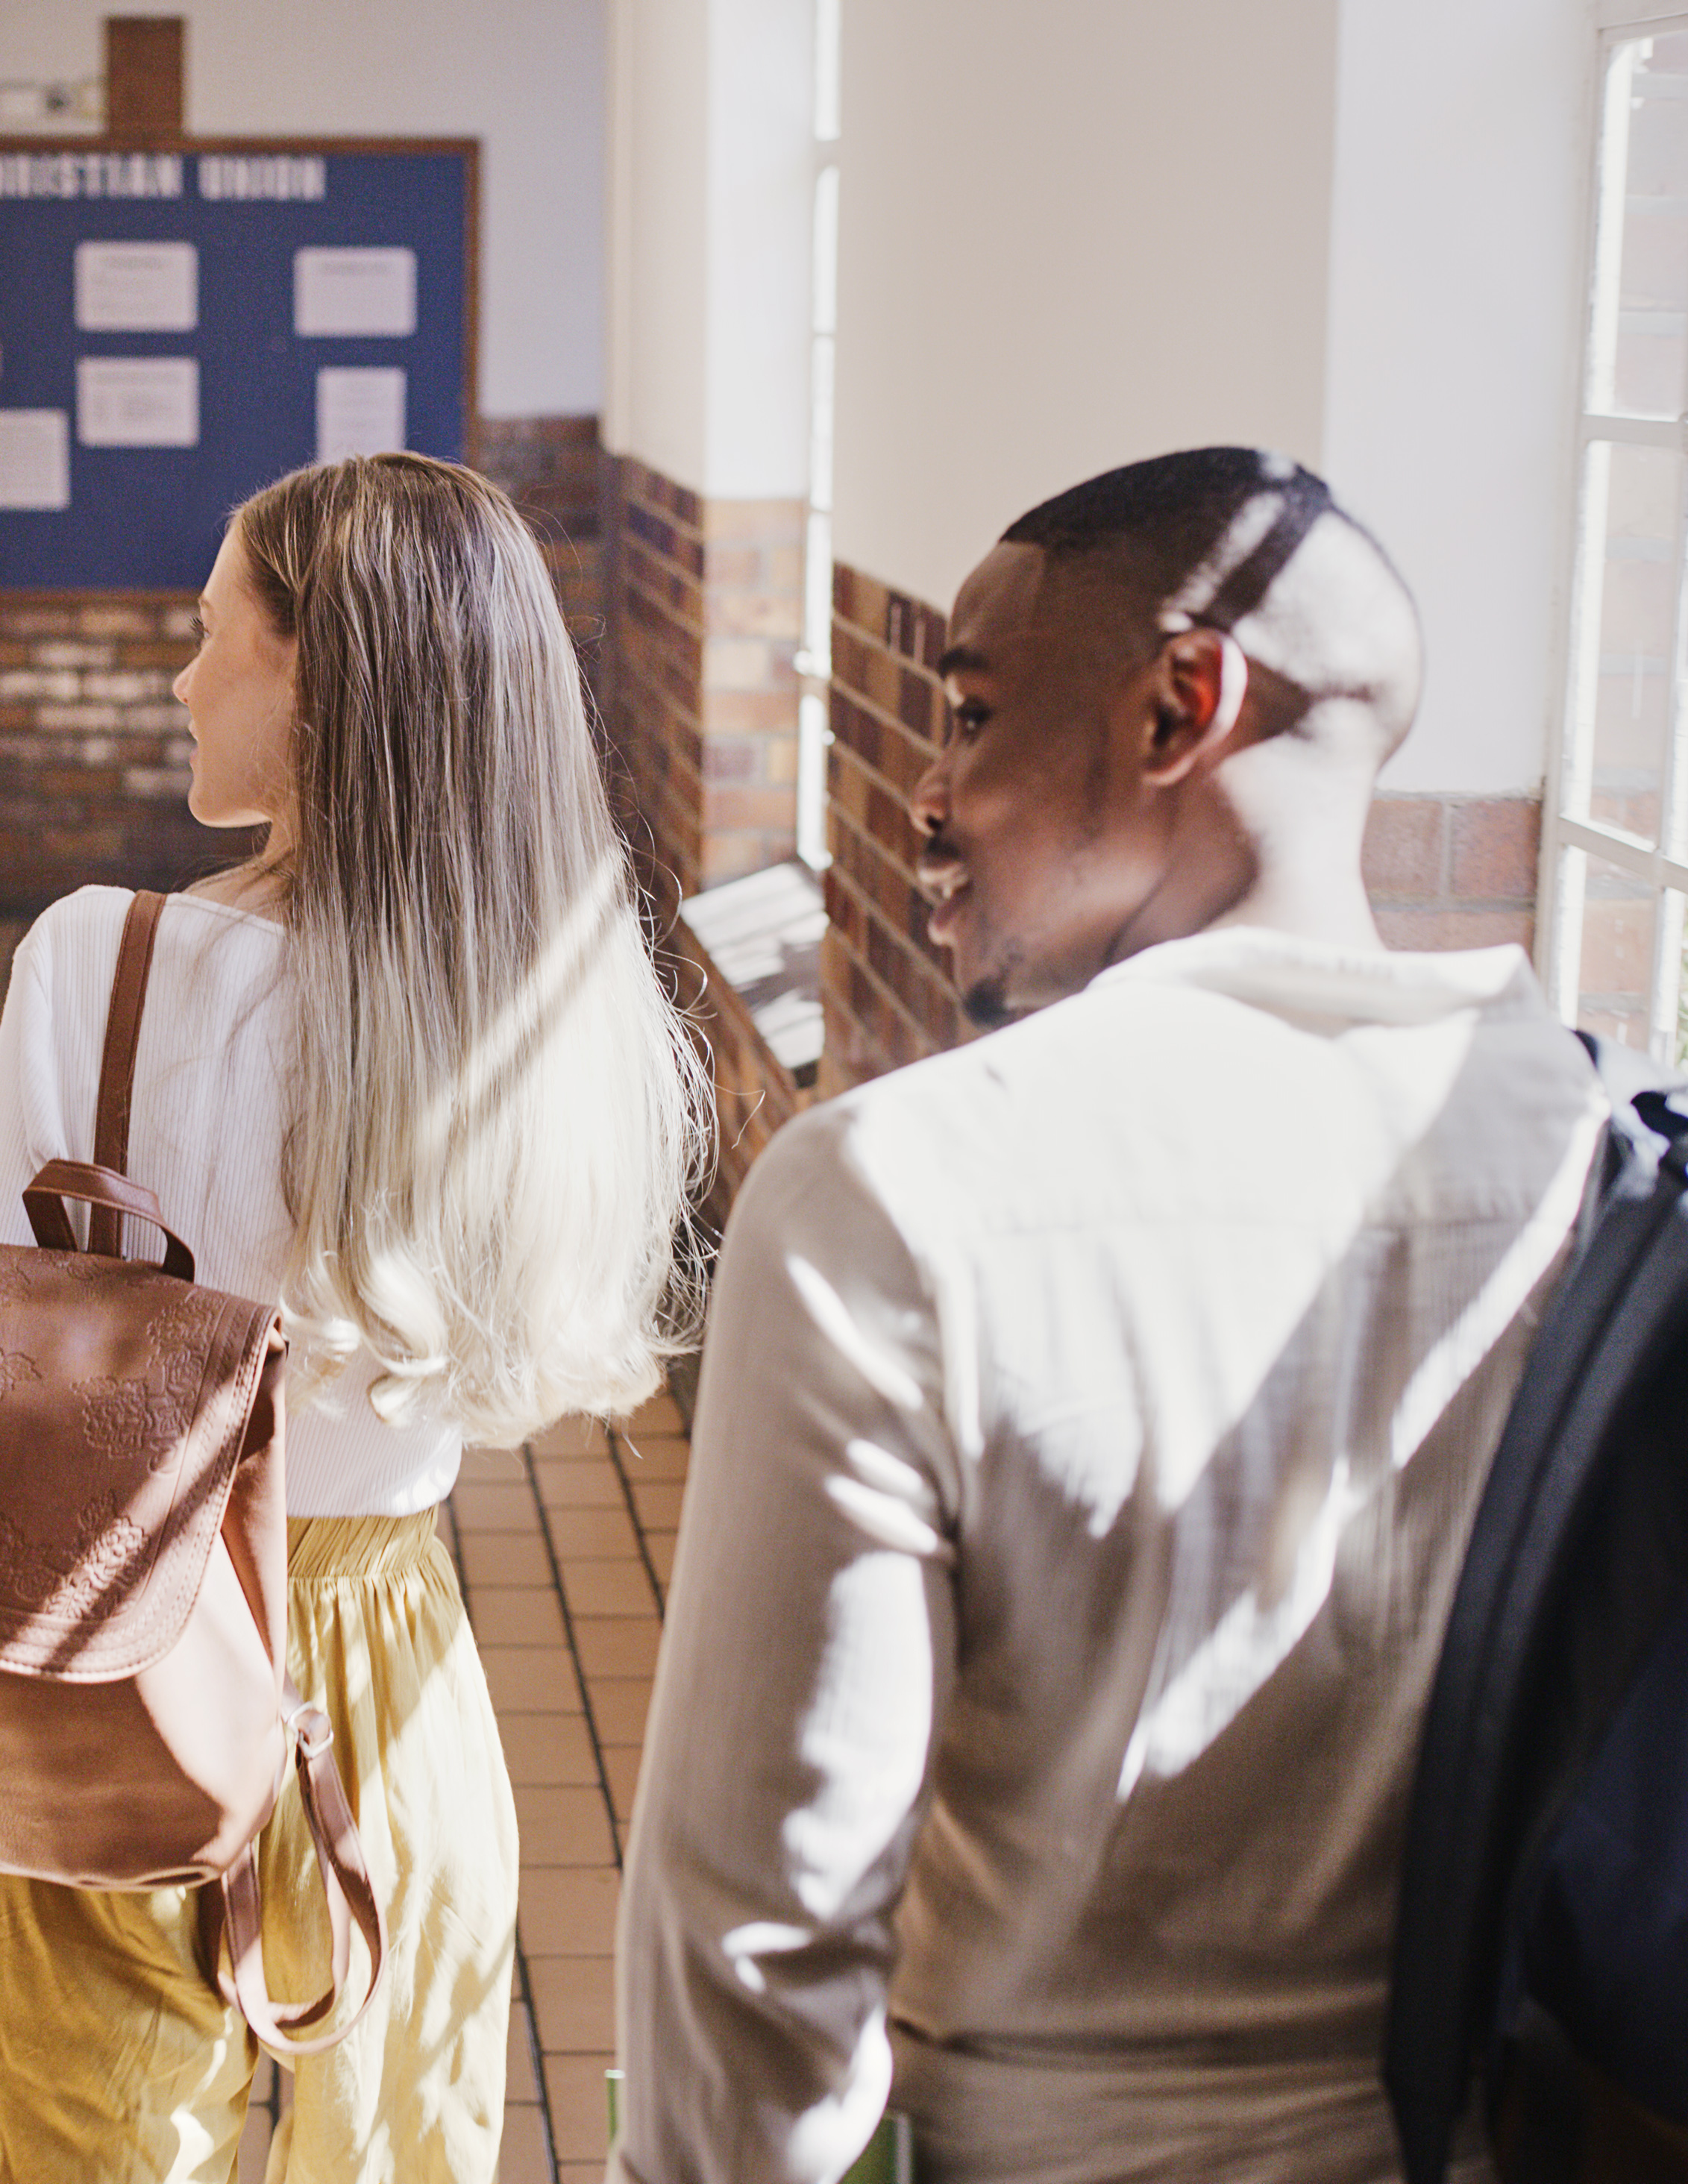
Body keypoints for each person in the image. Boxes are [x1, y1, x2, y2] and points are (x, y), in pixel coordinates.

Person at [614, 449, 1606, 2184]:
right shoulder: (1604, 1165)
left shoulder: (901, 1196)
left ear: (1180, 708)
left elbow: (760, 1938)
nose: (929, 793)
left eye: (973, 717)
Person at [0, 453, 705, 2183]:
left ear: (318, 680)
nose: (180, 672)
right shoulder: (554, 1006)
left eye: (210, 634)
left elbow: (4, 1366)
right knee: (401, 2144)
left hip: (130, 1653)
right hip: (399, 1670)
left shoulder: (98, 963)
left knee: (90, 2144)